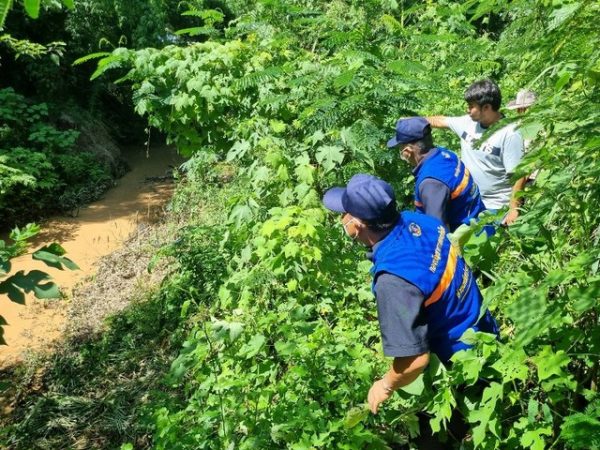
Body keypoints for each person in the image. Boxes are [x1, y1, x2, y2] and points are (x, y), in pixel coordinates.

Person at [322, 174, 498, 445]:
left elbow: (416, 361)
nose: (341, 220)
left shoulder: (394, 281)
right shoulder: (419, 221)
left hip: (463, 361)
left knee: (445, 433)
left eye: (344, 215)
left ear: (356, 224)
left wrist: (385, 384)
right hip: (483, 325)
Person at [426, 79, 526, 225]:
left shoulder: (509, 134)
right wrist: (412, 122)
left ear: (486, 107)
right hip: (469, 201)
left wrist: (514, 209)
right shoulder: (468, 123)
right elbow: (441, 121)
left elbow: (520, 175)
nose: (467, 110)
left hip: (496, 207)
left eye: (471, 106)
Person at [386, 116, 486, 231]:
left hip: (469, 240)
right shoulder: (445, 155)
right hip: (480, 224)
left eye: (400, 148)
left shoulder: (431, 183)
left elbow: (438, 233)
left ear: (408, 151)